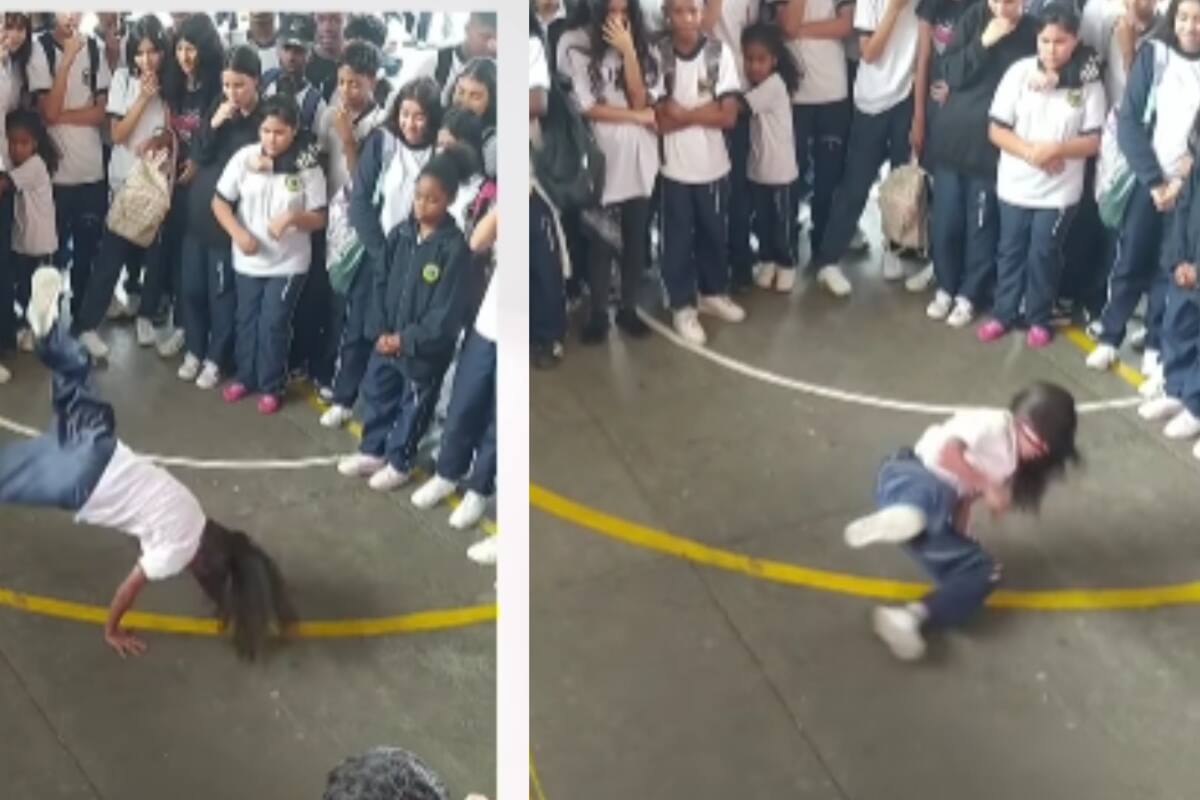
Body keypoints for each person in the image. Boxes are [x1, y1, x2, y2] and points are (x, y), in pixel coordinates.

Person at [0, 267, 296, 660]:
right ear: (206, 569)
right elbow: (128, 588)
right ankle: (47, 333)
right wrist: (113, 629)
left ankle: (49, 333)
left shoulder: (193, 510)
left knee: (74, 374)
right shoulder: (174, 553)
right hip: (82, 480)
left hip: (102, 442)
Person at [844, 381, 1081, 660]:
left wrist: (959, 535)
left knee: (987, 571)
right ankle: (900, 513)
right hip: (910, 474)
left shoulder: (1010, 464)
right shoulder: (991, 423)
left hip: (934, 517)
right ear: (1020, 422)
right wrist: (989, 486)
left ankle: (910, 617)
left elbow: (965, 498)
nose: (1041, 453)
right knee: (934, 491)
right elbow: (948, 455)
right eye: (1039, 444)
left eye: (1047, 450)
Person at [336, 148, 474, 492]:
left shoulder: (453, 249)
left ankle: (400, 460)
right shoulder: (400, 234)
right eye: (418, 197)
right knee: (379, 393)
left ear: (450, 200)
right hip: (387, 338)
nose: (422, 206)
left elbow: (445, 312)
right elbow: (381, 280)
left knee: (413, 406)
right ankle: (373, 450)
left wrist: (406, 339)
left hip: (420, 351)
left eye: (433, 200)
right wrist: (382, 329)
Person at [976, 4, 1106, 348]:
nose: (1051, 49)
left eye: (1060, 42)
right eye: (1045, 41)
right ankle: (1003, 313)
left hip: (1059, 192)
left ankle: (1037, 316)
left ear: (1075, 40)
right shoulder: (1018, 73)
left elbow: (1093, 139)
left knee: (1044, 253)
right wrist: (1032, 153)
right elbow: (996, 130)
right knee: (1010, 250)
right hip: (1016, 185)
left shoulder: (1088, 83)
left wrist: (1058, 150)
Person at [211, 94, 328, 415]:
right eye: (265, 131)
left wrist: (292, 218)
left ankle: (271, 384)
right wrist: (238, 233)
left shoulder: (307, 165)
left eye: (279, 132)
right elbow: (220, 202)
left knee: (273, 323)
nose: (271, 139)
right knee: (245, 319)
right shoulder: (244, 159)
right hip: (247, 258)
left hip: (288, 263)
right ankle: (245, 377)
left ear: (293, 130)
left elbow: (319, 216)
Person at [740, 22, 802, 293]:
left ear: (774, 60)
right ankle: (767, 260)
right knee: (763, 221)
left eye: (761, 59)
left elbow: (740, 107)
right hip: (758, 171)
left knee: (782, 223)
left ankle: (786, 263)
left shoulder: (774, 85)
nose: (754, 66)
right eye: (749, 59)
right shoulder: (758, 85)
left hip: (781, 173)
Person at [0, 109, 58, 376]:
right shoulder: (18, 165)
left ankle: (43, 334)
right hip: (23, 243)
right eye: (11, 143)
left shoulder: (34, 166)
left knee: (40, 292)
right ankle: (27, 327)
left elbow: (4, 185)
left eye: (22, 143)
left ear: (34, 143)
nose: (16, 149)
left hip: (39, 244)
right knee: (23, 289)